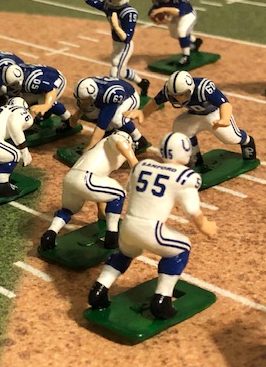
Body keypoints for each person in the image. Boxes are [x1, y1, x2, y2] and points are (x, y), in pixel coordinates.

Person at [87, 132, 217, 320]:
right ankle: (162, 300)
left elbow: (130, 189)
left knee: (125, 253)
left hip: (128, 226)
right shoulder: (185, 177)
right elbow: (192, 211)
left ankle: (99, 288)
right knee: (181, 248)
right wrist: (205, 226)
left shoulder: (142, 166)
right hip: (151, 229)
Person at [125, 70, 256, 168]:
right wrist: (143, 113)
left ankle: (247, 142)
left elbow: (225, 104)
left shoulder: (203, 88)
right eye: (176, 96)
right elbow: (155, 102)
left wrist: (224, 119)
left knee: (229, 138)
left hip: (214, 115)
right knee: (180, 128)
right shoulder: (169, 90)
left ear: (190, 89)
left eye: (182, 95)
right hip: (195, 115)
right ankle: (195, 157)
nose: (178, 99)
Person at [41, 130, 138, 251]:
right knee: (119, 194)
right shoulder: (117, 139)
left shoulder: (102, 152)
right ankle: (112, 237)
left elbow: (102, 185)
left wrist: (101, 211)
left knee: (68, 210)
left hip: (71, 178)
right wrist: (134, 162)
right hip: (87, 178)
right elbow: (119, 140)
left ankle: (50, 234)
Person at [76, 0, 150, 97]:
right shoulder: (109, 5)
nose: (115, 1)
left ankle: (116, 96)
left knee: (115, 71)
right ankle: (142, 83)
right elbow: (95, 3)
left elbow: (127, 38)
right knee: (122, 71)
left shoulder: (129, 13)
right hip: (116, 43)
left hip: (124, 46)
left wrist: (115, 26)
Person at [68, 76, 149, 153]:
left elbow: (102, 125)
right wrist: (75, 117)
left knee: (116, 119)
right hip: (110, 96)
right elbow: (84, 105)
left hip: (129, 97)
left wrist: (90, 147)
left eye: (85, 100)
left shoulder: (110, 95)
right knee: (91, 113)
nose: (81, 102)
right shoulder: (89, 86)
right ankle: (109, 133)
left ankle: (139, 140)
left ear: (94, 95)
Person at [148, 0, 203, 67]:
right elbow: (152, 13)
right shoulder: (159, 0)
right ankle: (196, 41)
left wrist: (162, 9)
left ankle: (186, 57)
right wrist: (157, 21)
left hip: (188, 14)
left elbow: (180, 12)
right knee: (175, 35)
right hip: (174, 16)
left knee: (182, 31)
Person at [1, 63, 72, 131]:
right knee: (19, 99)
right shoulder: (14, 73)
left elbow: (52, 90)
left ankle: (68, 119)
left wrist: (46, 105)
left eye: (13, 84)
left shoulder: (32, 81)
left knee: (44, 104)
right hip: (44, 78)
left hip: (56, 82)